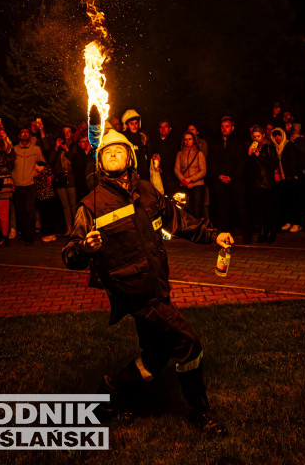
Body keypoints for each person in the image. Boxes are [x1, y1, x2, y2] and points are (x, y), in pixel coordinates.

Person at [62, 129, 233, 435]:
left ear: (130, 157)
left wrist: (212, 234)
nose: (113, 155)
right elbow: (70, 254)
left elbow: (176, 219)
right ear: (100, 162)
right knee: (188, 344)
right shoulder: (91, 204)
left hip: (157, 285)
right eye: (107, 153)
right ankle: (199, 412)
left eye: (119, 151)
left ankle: (110, 392)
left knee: (156, 356)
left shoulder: (146, 190)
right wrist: (84, 249)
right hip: (135, 293)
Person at [208, 116, 250, 242]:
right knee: (223, 210)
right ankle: (227, 237)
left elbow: (242, 162)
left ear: (232, 127)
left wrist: (232, 176)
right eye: (222, 126)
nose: (224, 129)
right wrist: (218, 175)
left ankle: (247, 237)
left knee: (241, 208)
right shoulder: (215, 143)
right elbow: (211, 161)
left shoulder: (238, 143)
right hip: (220, 182)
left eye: (227, 126)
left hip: (235, 181)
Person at [12, 127, 45, 245]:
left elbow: (42, 163)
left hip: (31, 184)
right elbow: (10, 165)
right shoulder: (14, 149)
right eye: (22, 132)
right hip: (17, 185)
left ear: (30, 136)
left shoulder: (36, 149)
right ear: (19, 136)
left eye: (27, 133)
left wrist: (38, 171)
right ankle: (25, 234)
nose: (25, 135)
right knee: (20, 212)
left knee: (30, 211)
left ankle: (29, 237)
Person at [246, 125, 278, 243]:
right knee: (259, 210)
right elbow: (249, 166)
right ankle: (262, 232)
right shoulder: (252, 146)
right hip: (256, 182)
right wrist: (249, 155)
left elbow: (272, 163)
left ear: (263, 135)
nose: (256, 139)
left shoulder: (269, 146)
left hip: (267, 182)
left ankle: (271, 232)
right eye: (254, 136)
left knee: (269, 209)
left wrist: (259, 155)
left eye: (258, 136)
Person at [270, 127, 302, 233]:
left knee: (294, 201)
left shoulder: (289, 145)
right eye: (275, 135)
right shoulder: (274, 147)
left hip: (291, 178)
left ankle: (297, 223)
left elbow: (293, 161)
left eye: (279, 135)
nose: (277, 137)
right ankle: (288, 221)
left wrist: (292, 176)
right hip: (282, 178)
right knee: (286, 201)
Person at [48, 127, 76, 236]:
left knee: (73, 204)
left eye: (68, 131)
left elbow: (75, 160)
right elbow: (50, 160)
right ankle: (69, 228)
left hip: (71, 178)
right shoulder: (58, 147)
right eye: (64, 132)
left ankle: (76, 226)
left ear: (72, 133)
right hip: (60, 179)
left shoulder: (74, 146)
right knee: (65, 205)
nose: (66, 134)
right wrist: (56, 147)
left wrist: (67, 150)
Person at [174, 131, 207, 219]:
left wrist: (191, 179)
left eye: (190, 139)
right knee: (185, 210)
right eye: (185, 140)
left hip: (197, 185)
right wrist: (183, 180)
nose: (187, 141)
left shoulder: (199, 154)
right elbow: (177, 169)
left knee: (196, 211)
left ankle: (199, 230)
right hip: (184, 185)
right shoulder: (180, 154)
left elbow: (203, 171)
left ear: (194, 140)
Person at [121, 109, 151, 180]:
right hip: (130, 175)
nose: (134, 126)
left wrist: (145, 146)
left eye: (136, 123)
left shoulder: (143, 136)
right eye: (131, 123)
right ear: (127, 125)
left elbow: (147, 155)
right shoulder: (123, 138)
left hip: (143, 174)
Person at [152, 119, 179, 196]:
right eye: (161, 127)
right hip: (158, 174)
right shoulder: (154, 142)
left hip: (171, 176)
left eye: (165, 127)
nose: (163, 129)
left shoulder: (175, 142)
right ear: (158, 129)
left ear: (170, 129)